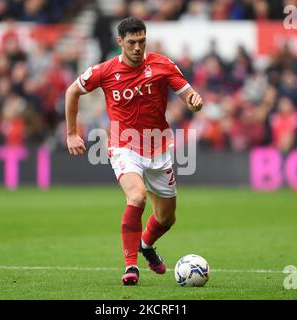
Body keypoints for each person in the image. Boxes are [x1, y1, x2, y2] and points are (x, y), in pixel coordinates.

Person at [64, 17, 203, 285]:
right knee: (137, 197)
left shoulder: (162, 64)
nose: (138, 47)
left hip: (159, 148)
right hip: (123, 146)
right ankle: (131, 267)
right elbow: (72, 92)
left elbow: (188, 95)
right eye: (132, 42)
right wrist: (71, 133)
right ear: (120, 42)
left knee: (167, 217)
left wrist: (194, 103)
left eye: (142, 41)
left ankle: (146, 244)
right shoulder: (104, 71)